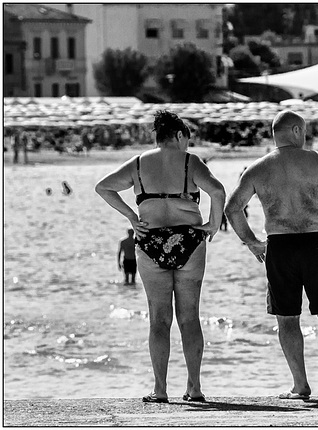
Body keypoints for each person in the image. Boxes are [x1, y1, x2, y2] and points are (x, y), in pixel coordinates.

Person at [224, 110, 318, 400]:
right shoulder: (317, 161)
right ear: (296, 131)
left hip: (279, 247)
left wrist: (251, 242)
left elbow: (232, 209)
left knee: (287, 319)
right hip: (315, 245)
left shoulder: (257, 169)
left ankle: (300, 385)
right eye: (304, 131)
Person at [95, 110, 226, 403]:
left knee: (158, 319)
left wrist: (131, 216)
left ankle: (160, 389)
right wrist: (214, 224)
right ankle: (194, 388)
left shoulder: (139, 163)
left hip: (150, 241)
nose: (187, 147)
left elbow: (103, 187)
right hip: (189, 241)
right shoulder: (191, 162)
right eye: (186, 141)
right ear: (179, 136)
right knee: (190, 317)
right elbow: (218, 191)